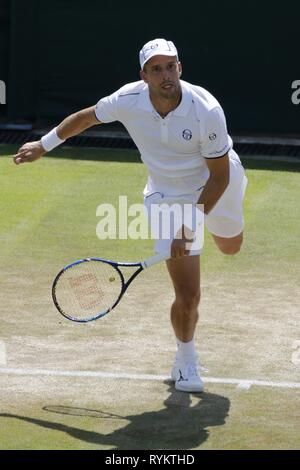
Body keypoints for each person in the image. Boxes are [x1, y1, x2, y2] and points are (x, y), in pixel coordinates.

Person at [13, 38, 247, 393]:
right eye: (157, 69)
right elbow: (84, 118)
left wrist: (192, 225)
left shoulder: (206, 110)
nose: (166, 74)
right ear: (145, 75)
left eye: (171, 66)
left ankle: (209, 229)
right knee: (188, 295)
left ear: (180, 68)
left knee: (230, 247)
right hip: (168, 194)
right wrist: (43, 145)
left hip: (217, 182)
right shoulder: (128, 99)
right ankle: (186, 360)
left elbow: (219, 177)